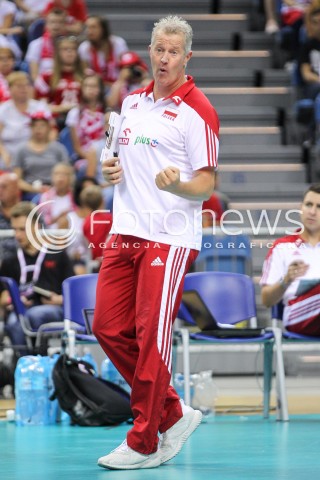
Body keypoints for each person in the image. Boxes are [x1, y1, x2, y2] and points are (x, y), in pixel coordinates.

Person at [92, 15, 219, 470]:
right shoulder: (130, 103)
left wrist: (177, 187)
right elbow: (112, 159)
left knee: (151, 337)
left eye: (173, 52)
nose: (164, 59)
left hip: (168, 237)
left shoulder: (197, 109)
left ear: (187, 57)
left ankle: (145, 441)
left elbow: (205, 185)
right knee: (107, 326)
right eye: (158, 50)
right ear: (150, 50)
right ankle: (172, 410)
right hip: (124, 231)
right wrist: (107, 170)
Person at [0, 201, 74, 349]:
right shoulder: (10, 261)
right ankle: (25, 363)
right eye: (15, 230)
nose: (17, 235)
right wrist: (14, 300)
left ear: (37, 227)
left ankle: (34, 361)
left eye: (22, 229)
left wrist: (58, 299)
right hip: (20, 310)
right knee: (17, 321)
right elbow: (2, 297)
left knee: (33, 316)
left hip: (52, 308)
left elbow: (74, 294)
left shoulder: (57, 255)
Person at [260, 183, 320, 336]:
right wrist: (286, 280)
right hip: (297, 314)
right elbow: (266, 300)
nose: (312, 212)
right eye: (308, 205)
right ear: (301, 208)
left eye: (319, 207)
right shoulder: (282, 247)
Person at [12, 110, 70, 200]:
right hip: (30, 191)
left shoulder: (59, 149)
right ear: (30, 128)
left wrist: (54, 189)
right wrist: (34, 189)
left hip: (56, 190)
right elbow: (17, 179)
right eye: (35, 125)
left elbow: (67, 173)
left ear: (49, 128)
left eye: (42, 125)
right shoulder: (21, 150)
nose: (38, 129)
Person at [0, 71, 51, 170]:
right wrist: (4, 154)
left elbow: (51, 132)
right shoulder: (2, 110)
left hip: (36, 151)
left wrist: (43, 150)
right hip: (10, 153)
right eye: (19, 86)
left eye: (27, 85)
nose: (24, 89)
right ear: (10, 89)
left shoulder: (41, 107)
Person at [34, 35, 85, 129]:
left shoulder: (88, 76)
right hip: (56, 121)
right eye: (65, 49)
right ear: (57, 53)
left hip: (82, 121)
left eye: (73, 49)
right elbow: (40, 107)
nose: (69, 52)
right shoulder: (46, 77)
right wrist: (62, 108)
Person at [78, 15, 128, 93]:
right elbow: (85, 74)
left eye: (93, 27)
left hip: (118, 85)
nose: (89, 31)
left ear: (103, 29)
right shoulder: (84, 48)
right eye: (87, 27)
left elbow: (126, 68)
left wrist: (117, 85)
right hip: (97, 88)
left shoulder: (118, 43)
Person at [24, 8, 67, 83]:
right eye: (52, 22)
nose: (56, 26)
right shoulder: (35, 45)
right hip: (43, 85)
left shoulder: (71, 46)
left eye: (60, 22)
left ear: (64, 25)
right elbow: (34, 76)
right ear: (46, 25)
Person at [0, 172, 21, 258]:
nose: (0, 190)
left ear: (16, 189)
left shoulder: (29, 213)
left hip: (25, 261)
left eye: (4, 187)